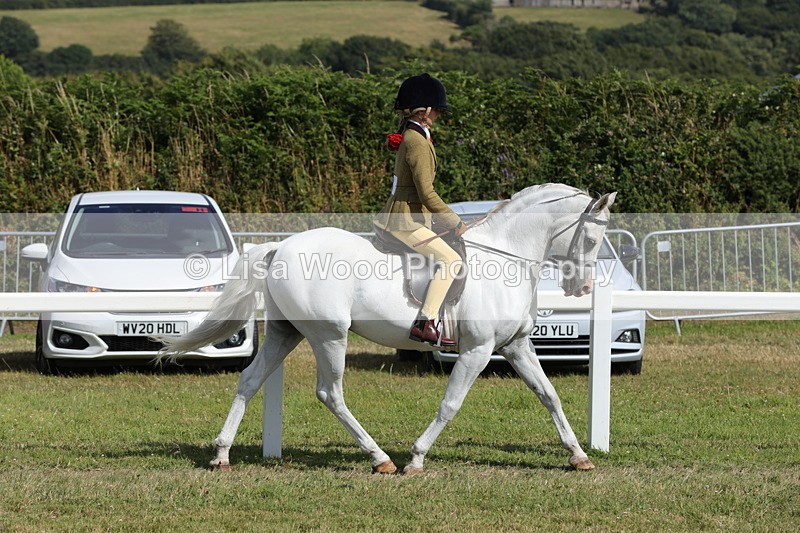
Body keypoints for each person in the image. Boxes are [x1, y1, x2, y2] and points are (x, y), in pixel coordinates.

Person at [373, 73, 466, 347]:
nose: (438, 115)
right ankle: (425, 323)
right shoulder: (416, 141)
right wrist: (454, 220)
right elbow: (426, 193)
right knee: (452, 261)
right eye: (436, 110)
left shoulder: (412, 135)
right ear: (424, 111)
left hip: (410, 214)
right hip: (405, 221)